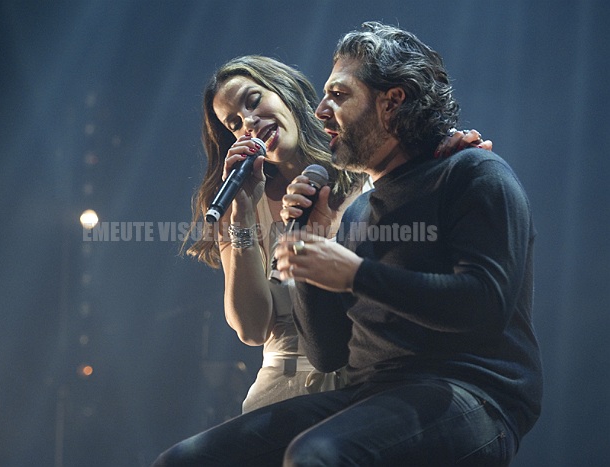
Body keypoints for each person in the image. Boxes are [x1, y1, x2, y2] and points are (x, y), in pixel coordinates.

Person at [159, 21, 540, 466]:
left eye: (338, 95)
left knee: (316, 456)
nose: (321, 110)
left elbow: (485, 306)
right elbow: (327, 353)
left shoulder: (472, 171)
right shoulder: (357, 213)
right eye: (234, 124)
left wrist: (353, 273)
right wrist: (307, 242)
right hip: (368, 394)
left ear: (391, 102)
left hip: (469, 390)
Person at [183, 55, 491, 414]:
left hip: (378, 383)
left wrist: (447, 160)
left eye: (253, 101)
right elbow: (251, 329)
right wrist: (243, 213)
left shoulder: (372, 171)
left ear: (285, 92)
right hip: (283, 391)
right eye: (234, 124)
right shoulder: (242, 208)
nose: (249, 122)